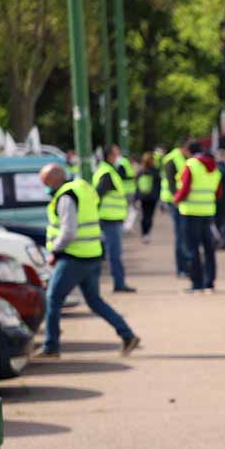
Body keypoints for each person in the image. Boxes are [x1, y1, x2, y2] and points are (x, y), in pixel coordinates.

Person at [36, 163, 140, 358]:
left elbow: (68, 230)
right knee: (94, 300)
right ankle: (127, 334)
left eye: (44, 182)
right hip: (91, 253)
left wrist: (55, 251)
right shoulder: (82, 188)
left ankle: (51, 347)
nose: (44, 186)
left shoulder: (66, 196)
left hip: (74, 257)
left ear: (52, 180)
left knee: (53, 298)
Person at [172, 141, 222, 292]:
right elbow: (218, 192)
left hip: (190, 211)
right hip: (207, 211)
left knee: (192, 249)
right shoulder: (214, 166)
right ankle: (210, 281)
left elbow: (185, 187)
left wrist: (176, 200)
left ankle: (197, 283)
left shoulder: (191, 165)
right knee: (209, 249)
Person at [92, 145, 135, 293]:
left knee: (109, 253)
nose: (119, 156)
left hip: (110, 218)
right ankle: (119, 283)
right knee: (114, 254)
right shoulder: (107, 173)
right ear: (110, 156)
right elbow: (97, 195)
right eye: (116, 153)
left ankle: (118, 283)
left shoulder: (108, 171)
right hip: (109, 219)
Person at [160, 141, 190, 276]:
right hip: (174, 201)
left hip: (180, 201)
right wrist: (176, 199)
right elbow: (171, 182)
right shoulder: (171, 159)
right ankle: (182, 268)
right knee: (180, 235)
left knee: (184, 234)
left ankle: (186, 266)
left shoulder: (183, 158)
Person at [136, 151, 159, 244]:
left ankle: (144, 233)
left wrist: (136, 197)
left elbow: (137, 184)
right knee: (149, 216)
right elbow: (158, 184)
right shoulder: (155, 171)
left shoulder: (141, 171)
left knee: (144, 215)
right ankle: (147, 234)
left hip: (143, 196)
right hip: (152, 197)